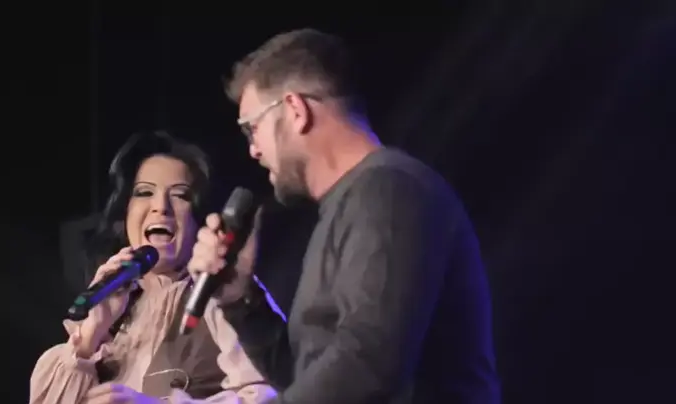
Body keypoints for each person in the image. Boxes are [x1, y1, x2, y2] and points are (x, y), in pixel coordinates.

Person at [188, 29, 500, 404]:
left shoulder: (391, 190)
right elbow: (311, 381)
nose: (253, 150)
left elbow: (367, 366)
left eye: (252, 129)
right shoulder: (348, 205)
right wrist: (242, 299)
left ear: (295, 110)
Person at [30, 131, 276, 404]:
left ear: (200, 218)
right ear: (125, 213)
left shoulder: (222, 294)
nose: (161, 207)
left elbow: (269, 395)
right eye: (144, 192)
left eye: (180, 195)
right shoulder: (112, 312)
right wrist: (91, 333)